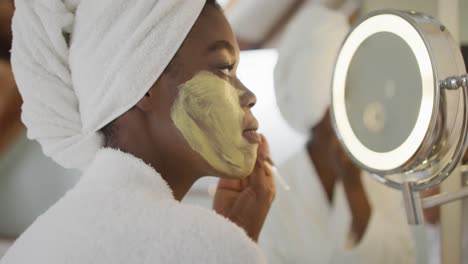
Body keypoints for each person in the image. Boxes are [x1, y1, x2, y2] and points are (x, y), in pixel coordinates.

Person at [1, 1, 275, 263]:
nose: (249, 96)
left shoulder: (33, 244)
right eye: (224, 68)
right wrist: (232, 246)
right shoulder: (210, 248)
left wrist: (237, 234)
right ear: (143, 86)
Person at [228, 1, 417, 263]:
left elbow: (400, 257)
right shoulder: (275, 187)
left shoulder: (383, 174)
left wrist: (354, 189)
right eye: (337, 105)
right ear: (314, 113)